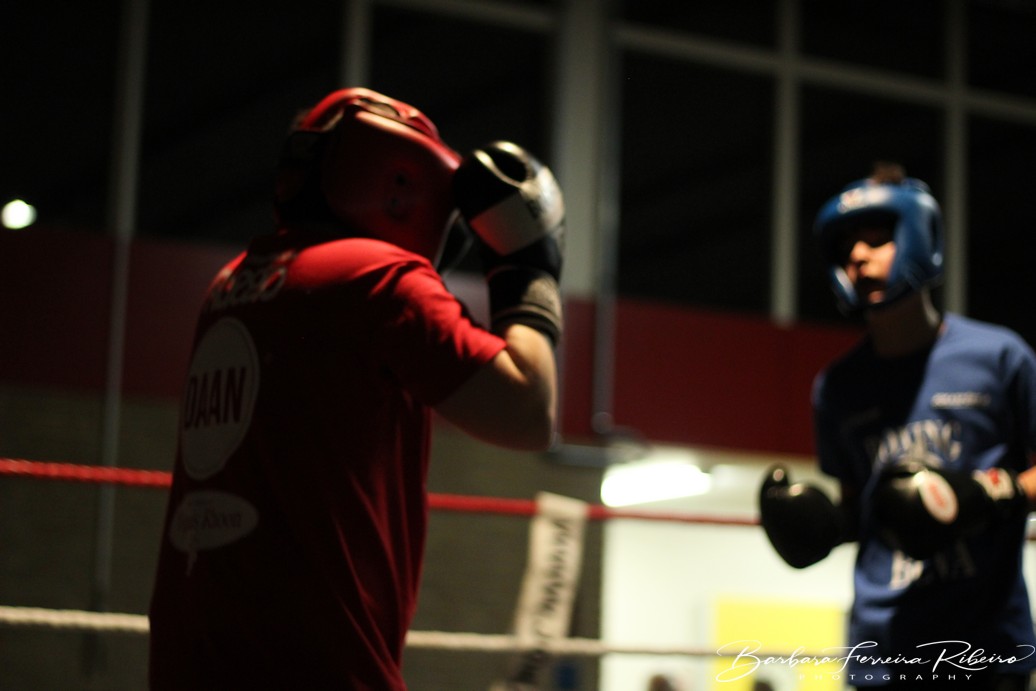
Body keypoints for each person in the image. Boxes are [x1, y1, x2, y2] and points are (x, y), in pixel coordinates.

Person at [147, 87, 566, 690]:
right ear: (401, 186)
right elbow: (527, 413)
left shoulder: (230, 284)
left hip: (192, 665)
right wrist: (528, 268)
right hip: (318, 668)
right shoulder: (379, 278)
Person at [759, 162, 1036, 689]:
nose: (858, 256)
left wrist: (990, 493)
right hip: (883, 653)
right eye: (848, 248)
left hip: (986, 648)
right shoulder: (837, 387)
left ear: (917, 236)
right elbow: (862, 509)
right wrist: (826, 527)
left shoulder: (1000, 358)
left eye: (876, 240)